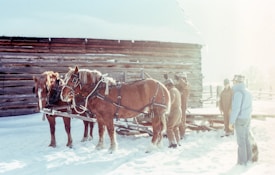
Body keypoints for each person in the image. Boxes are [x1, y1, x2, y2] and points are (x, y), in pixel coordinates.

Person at [229, 74, 253, 165]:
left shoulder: (238, 93)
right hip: (247, 118)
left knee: (241, 141)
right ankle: (249, 159)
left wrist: (231, 122)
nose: (233, 83)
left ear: (237, 82)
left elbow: (236, 109)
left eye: (234, 81)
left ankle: (242, 162)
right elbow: (251, 107)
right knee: (246, 139)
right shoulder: (248, 92)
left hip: (240, 119)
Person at [164, 78, 182, 148]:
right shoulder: (176, 90)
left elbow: (171, 100)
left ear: (168, 85)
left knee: (169, 127)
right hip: (179, 110)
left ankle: (173, 143)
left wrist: (166, 107)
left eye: (166, 86)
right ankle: (177, 142)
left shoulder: (171, 91)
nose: (166, 88)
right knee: (175, 127)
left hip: (174, 111)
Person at [174, 73, 190, 139]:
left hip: (183, 105)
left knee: (182, 120)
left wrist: (179, 78)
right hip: (178, 104)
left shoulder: (187, 85)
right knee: (177, 119)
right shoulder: (180, 86)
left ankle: (182, 134)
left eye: (183, 78)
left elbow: (182, 85)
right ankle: (178, 134)